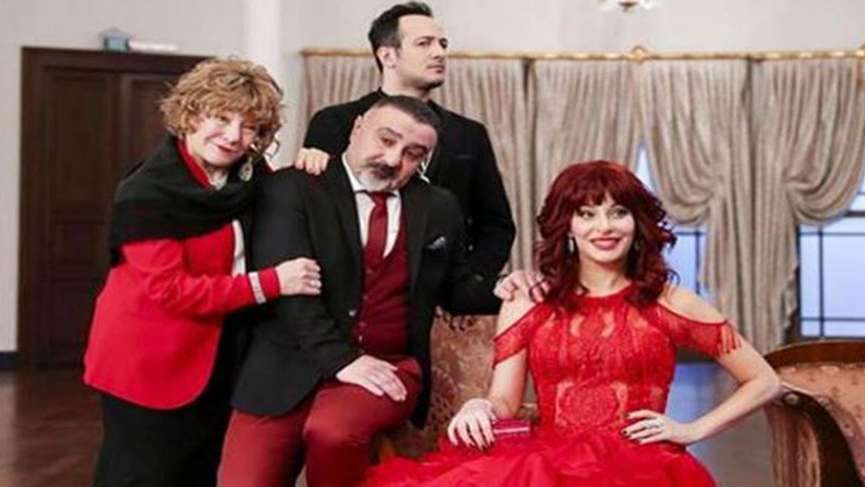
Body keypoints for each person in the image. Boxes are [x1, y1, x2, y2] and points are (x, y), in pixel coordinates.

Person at [361, 160, 781, 486]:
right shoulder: (529, 299)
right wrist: (479, 405)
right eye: (587, 213)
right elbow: (504, 400)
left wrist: (692, 429)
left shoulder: (671, 302)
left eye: (618, 212)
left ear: (637, 224)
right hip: (547, 463)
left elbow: (764, 380)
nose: (604, 227)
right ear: (567, 226)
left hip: (643, 465)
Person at [217, 95, 501, 487]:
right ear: (356, 129)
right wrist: (342, 360)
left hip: (387, 367)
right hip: (281, 371)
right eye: (386, 139)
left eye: (413, 154)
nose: (393, 159)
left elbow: (457, 290)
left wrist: (514, 288)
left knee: (333, 432)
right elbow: (292, 295)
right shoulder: (293, 188)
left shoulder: (439, 206)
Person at [83, 58, 324, 487]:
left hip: (218, 355)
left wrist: (312, 163)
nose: (233, 136)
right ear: (190, 114)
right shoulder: (146, 192)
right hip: (149, 359)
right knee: (143, 476)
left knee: (198, 474)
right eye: (222, 118)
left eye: (249, 126)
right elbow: (172, 290)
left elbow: (282, 200)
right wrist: (272, 283)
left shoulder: (246, 176)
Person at [297, 1, 515, 282]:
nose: (439, 53)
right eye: (424, 43)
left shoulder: (469, 133)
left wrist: (467, 283)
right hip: (354, 287)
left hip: (444, 293)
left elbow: (496, 225)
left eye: (443, 44)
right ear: (387, 55)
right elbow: (313, 213)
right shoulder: (335, 122)